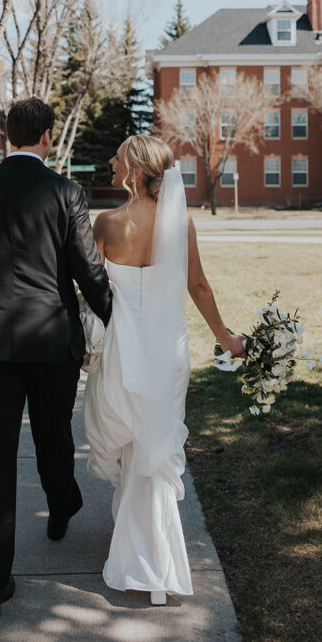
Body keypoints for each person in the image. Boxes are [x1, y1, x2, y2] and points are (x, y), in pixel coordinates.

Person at [0, 97, 112, 624]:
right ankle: (61, 505)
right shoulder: (66, 192)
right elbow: (88, 271)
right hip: (50, 339)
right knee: (54, 432)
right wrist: (116, 316)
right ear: (45, 138)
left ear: (6, 136)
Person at [84, 135, 245, 605]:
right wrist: (226, 339)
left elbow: (88, 288)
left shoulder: (107, 223)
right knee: (156, 446)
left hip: (123, 351)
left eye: (117, 156)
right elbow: (197, 285)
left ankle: (144, 561)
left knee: (136, 445)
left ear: (133, 169)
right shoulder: (180, 222)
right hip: (169, 352)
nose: (110, 160)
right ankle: (153, 561)